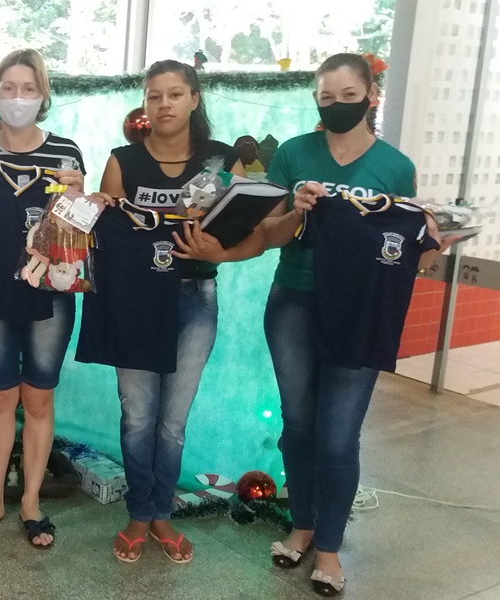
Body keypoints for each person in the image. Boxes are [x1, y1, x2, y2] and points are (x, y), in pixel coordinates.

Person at [177, 53, 451, 596]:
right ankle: (301, 525)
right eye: (327, 97)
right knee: (299, 426)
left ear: (370, 96)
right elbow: (268, 233)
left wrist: (434, 242)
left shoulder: (396, 167)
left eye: (349, 96)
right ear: (316, 100)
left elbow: (401, 250)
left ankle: (329, 547)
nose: (337, 105)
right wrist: (297, 212)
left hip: (360, 311)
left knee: (339, 433)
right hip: (294, 302)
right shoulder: (296, 154)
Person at [94, 59, 245, 564]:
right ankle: (140, 512)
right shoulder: (122, 161)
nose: (164, 104)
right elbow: (106, 236)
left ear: (194, 99)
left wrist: (220, 246)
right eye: (154, 96)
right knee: (138, 416)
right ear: (145, 103)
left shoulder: (222, 162)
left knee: (172, 421)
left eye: (175, 94)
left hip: (194, 298)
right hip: (134, 300)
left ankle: (162, 513)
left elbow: (245, 230)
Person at [0, 48, 87, 549]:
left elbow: (76, 238)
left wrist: (78, 195)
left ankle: (31, 502)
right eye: (8, 88)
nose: (18, 97)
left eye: (29, 88)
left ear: (43, 94)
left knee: (39, 397)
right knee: (0, 397)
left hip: (51, 293)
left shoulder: (66, 154)